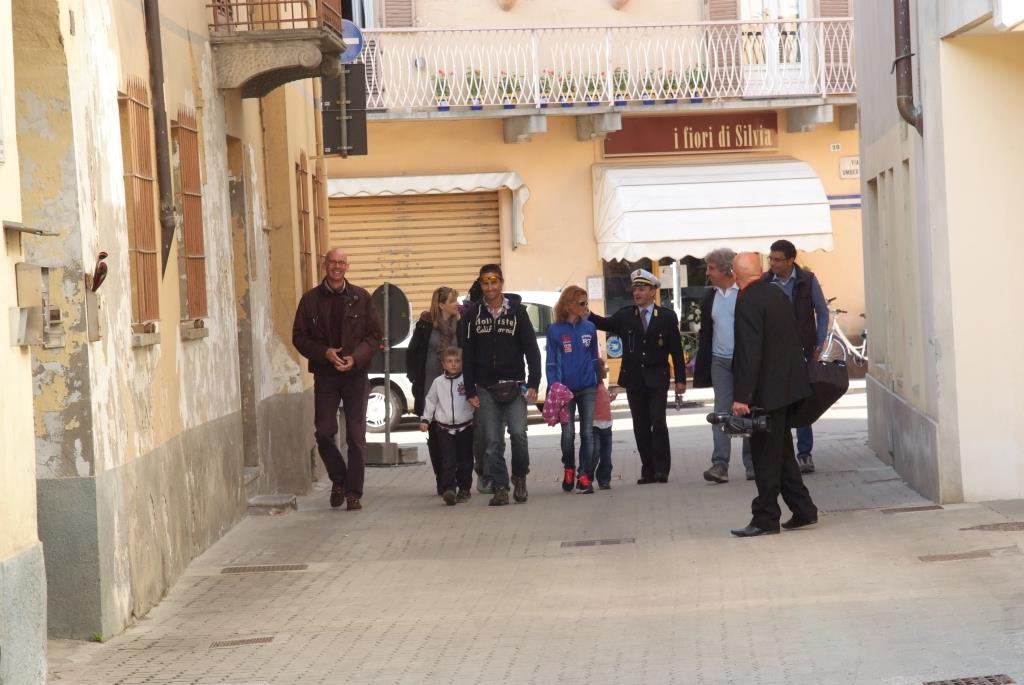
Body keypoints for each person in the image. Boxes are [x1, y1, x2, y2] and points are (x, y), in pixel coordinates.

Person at [729, 252, 819, 537]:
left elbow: (750, 350)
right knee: (781, 452)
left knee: (765, 457)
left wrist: (742, 396)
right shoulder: (776, 293)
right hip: (786, 388)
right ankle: (803, 509)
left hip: (766, 393)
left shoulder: (747, 300)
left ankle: (766, 517)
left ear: (735, 275)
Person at [292, 248, 382, 511]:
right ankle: (339, 478)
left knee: (356, 436)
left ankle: (353, 493)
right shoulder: (309, 300)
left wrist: (356, 357)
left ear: (347, 267)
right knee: (323, 432)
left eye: (342, 263)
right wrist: (324, 353)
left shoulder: (361, 298)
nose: (337, 267)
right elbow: (299, 337)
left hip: (355, 376)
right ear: (325, 265)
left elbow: (375, 336)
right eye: (333, 262)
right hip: (326, 375)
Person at [587, 269, 685, 484]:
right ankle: (647, 469)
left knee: (658, 422)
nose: (637, 293)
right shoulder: (625, 315)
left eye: (642, 288)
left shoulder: (666, 317)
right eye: (635, 289)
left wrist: (680, 379)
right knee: (640, 425)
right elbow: (604, 323)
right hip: (634, 378)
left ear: (653, 291)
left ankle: (662, 469)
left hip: (657, 377)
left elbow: (676, 351)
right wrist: (585, 312)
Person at [462, 264, 542, 506]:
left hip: (515, 385)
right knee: (491, 441)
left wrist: (534, 382)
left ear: (501, 283)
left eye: (494, 282)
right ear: (481, 285)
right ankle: (500, 487)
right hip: (485, 388)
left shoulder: (518, 313)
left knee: (518, 434)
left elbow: (532, 349)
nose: (490, 287)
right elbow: (467, 355)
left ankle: (520, 477)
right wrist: (470, 390)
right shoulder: (472, 315)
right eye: (485, 283)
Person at [764, 239, 830, 474]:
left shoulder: (807, 280)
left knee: (802, 402)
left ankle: (804, 454)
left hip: (803, 350)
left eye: (777, 259)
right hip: (774, 354)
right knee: (777, 403)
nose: (773, 263)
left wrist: (819, 343)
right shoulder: (765, 282)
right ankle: (781, 455)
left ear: (791, 260)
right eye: (771, 258)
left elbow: (822, 312)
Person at [693, 248, 753, 484]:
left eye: (711, 268)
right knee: (721, 413)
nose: (708, 273)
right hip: (719, 361)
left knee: (747, 409)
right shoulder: (711, 297)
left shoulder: (744, 293)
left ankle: (752, 463)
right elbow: (707, 332)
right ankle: (720, 464)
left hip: (744, 360)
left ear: (727, 270)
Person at [546, 286, 601, 494]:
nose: (586, 307)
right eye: (582, 303)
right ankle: (569, 467)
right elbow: (551, 362)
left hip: (587, 387)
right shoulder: (555, 330)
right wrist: (554, 385)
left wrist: (597, 380)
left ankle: (584, 475)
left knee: (588, 433)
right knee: (568, 434)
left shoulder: (590, 328)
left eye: (587, 302)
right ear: (569, 305)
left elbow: (594, 357)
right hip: (565, 390)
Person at [407, 286, 461, 496]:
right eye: (452, 301)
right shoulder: (425, 325)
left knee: (457, 437)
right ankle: (443, 479)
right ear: (441, 305)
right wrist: (415, 379)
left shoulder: (460, 324)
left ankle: (454, 478)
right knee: (436, 436)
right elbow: (413, 353)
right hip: (430, 388)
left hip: (455, 389)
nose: (457, 304)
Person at [419, 347, 475, 506]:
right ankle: (449, 489)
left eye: (457, 361)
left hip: (465, 426)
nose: (454, 364)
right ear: (443, 364)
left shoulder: (467, 380)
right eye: (450, 361)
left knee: (465, 460)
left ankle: (464, 489)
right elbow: (431, 401)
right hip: (444, 428)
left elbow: (474, 396)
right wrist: (425, 419)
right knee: (448, 460)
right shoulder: (438, 382)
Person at [592, 358, 618, 490]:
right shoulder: (592, 385)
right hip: (595, 425)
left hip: (607, 424)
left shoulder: (602, 385)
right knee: (595, 453)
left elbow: (603, 400)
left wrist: (610, 398)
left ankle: (604, 479)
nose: (606, 370)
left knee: (606, 455)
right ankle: (587, 476)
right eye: (603, 367)